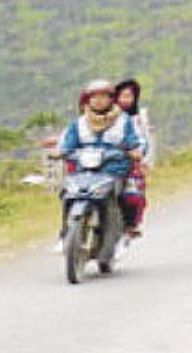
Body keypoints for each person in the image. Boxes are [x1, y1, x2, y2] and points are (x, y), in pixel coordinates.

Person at [55, 80, 140, 241]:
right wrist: (61, 152)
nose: (98, 100)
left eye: (103, 96)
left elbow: (132, 141)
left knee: (128, 196)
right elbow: (69, 144)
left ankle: (125, 229)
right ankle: (65, 232)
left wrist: (133, 150)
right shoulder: (79, 123)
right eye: (93, 97)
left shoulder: (123, 120)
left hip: (114, 169)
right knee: (67, 193)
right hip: (85, 170)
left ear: (111, 99)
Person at [111, 78, 154, 240]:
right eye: (123, 96)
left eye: (130, 96)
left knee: (132, 193)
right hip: (106, 159)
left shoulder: (137, 119)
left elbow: (143, 140)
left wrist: (141, 158)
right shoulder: (105, 116)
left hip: (128, 160)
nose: (126, 100)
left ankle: (130, 223)